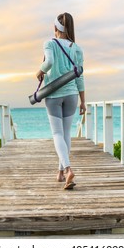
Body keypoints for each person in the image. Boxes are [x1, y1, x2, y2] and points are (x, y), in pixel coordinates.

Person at [35, 12, 86, 190]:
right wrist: (83, 102)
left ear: (55, 27)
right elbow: (80, 77)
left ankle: (68, 169)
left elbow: (48, 62)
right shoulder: (77, 48)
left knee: (57, 134)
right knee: (65, 134)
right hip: (72, 95)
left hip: (54, 95)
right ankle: (60, 173)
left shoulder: (49, 43)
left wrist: (40, 71)